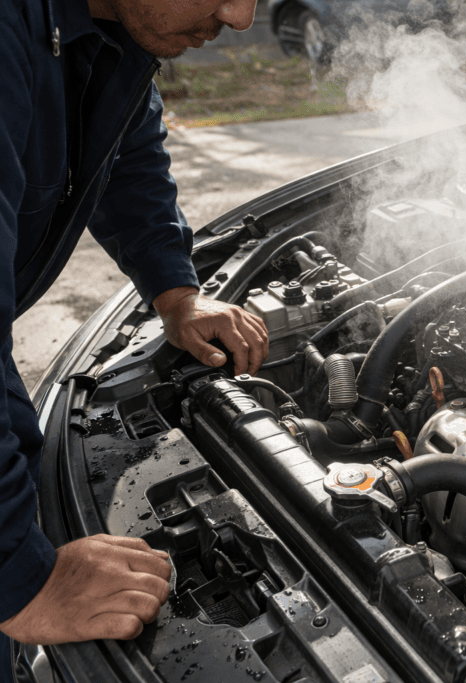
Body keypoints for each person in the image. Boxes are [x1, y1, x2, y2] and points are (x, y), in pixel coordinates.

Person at [0, 0, 268, 677]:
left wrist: (176, 290)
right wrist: (19, 574)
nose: (241, 16)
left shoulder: (109, 27)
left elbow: (123, 150)